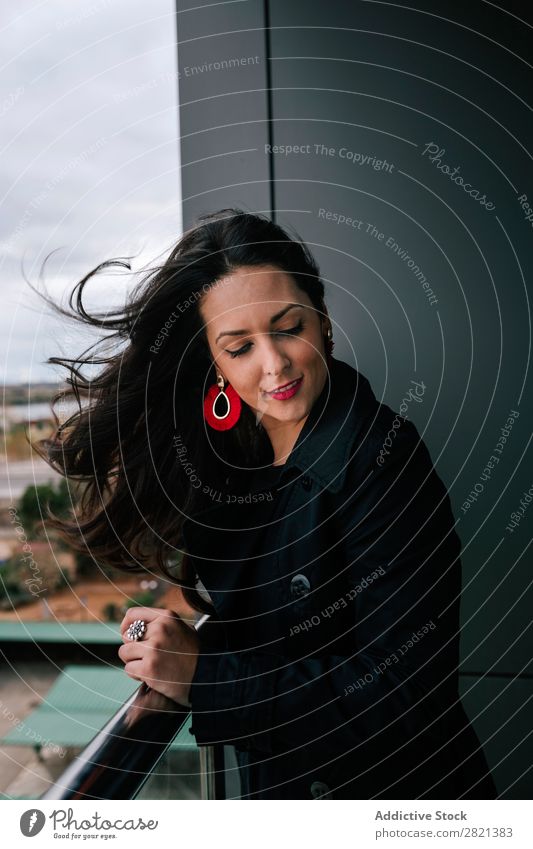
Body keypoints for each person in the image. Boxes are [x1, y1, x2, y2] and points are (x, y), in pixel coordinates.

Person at [35, 209, 497, 800]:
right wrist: (174, 636)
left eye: (287, 328)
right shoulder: (237, 456)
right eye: (240, 346)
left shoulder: (384, 461)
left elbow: (403, 697)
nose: (273, 364)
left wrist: (204, 676)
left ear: (323, 320)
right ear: (216, 363)